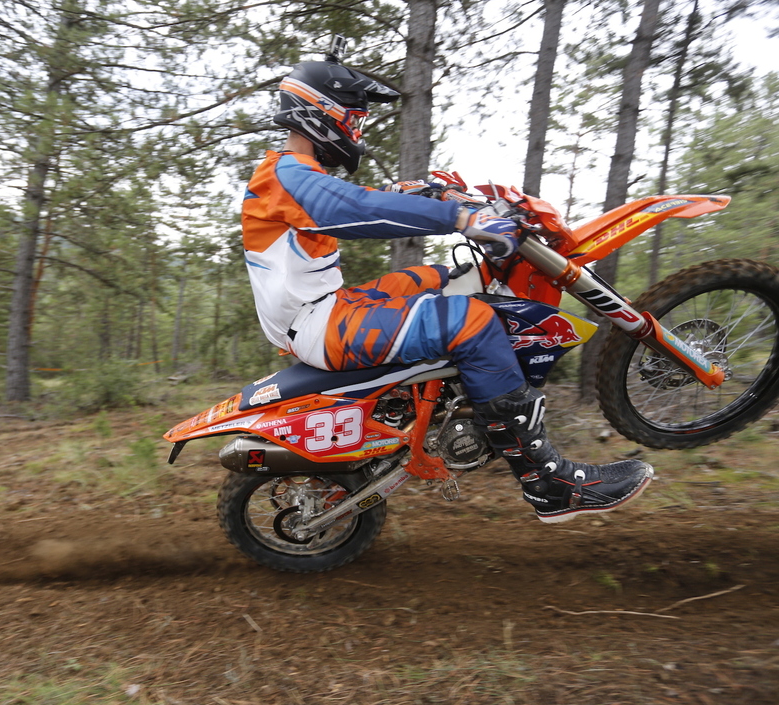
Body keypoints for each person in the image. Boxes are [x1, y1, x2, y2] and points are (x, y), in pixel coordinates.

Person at [240, 46, 653, 523]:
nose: (357, 130)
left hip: (325, 307)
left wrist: (419, 193)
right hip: (319, 324)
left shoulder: (291, 175)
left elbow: (350, 200)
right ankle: (548, 483)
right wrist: (461, 216)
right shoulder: (285, 174)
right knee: (473, 321)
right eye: (354, 119)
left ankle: (468, 393)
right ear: (321, 112)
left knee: (453, 277)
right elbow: (349, 207)